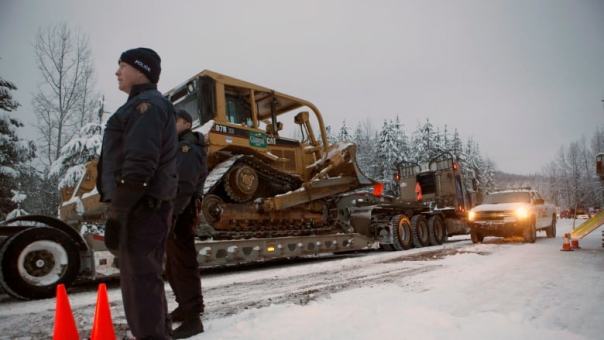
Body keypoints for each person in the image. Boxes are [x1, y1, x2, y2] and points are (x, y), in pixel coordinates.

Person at [97, 47, 178, 339]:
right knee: (145, 281)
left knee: (140, 283)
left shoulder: (147, 106)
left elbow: (140, 165)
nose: (117, 72)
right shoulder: (145, 105)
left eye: (122, 66)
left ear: (140, 70)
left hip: (141, 207)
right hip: (143, 206)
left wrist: (117, 213)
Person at [166, 109, 207, 338]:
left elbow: (183, 184)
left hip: (181, 209)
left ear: (186, 123)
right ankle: (186, 306)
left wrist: (172, 214)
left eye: (174, 121)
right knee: (174, 263)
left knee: (182, 263)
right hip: (179, 209)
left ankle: (193, 319)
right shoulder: (181, 144)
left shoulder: (187, 147)